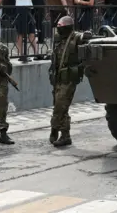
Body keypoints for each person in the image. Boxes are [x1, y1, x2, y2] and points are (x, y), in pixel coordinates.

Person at [48, 16, 87, 147]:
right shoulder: (59, 39)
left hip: (69, 78)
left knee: (60, 106)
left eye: (60, 25)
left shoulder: (76, 38)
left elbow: (86, 44)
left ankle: (56, 130)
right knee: (60, 106)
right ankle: (65, 135)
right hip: (57, 77)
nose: (58, 27)